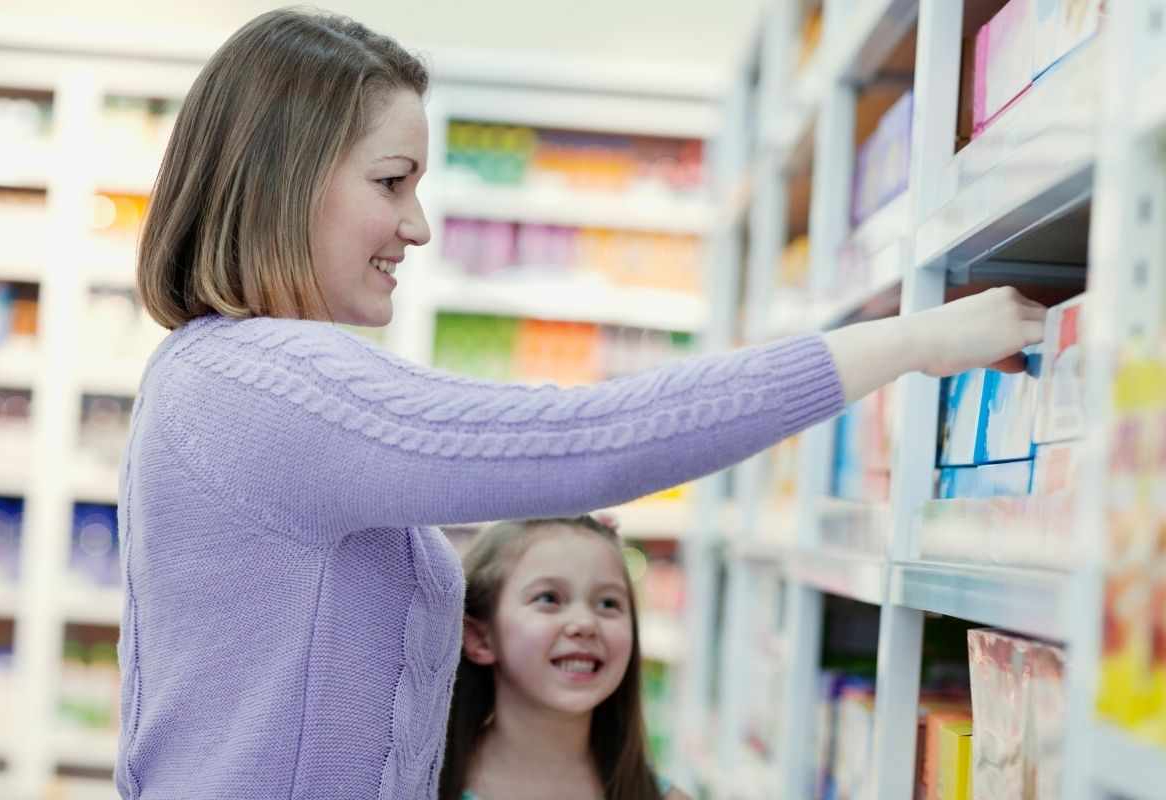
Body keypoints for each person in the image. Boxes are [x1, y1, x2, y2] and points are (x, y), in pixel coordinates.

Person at [120, 7, 1046, 800]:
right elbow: (581, 440)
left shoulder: (224, 379)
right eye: (391, 182)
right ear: (287, 181)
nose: (418, 224)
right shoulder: (260, 384)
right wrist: (908, 343)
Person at [440, 515, 690, 800]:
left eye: (608, 603)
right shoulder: (418, 787)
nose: (585, 624)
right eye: (549, 599)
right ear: (479, 637)